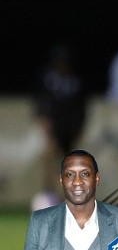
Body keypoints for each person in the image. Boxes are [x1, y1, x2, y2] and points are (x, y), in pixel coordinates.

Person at [31, 44, 88, 209]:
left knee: (69, 163)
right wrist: (42, 119)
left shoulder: (75, 81)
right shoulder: (47, 78)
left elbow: (81, 106)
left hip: (69, 127)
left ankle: (68, 198)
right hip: (52, 125)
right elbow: (40, 100)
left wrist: (79, 126)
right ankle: (47, 195)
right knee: (49, 158)